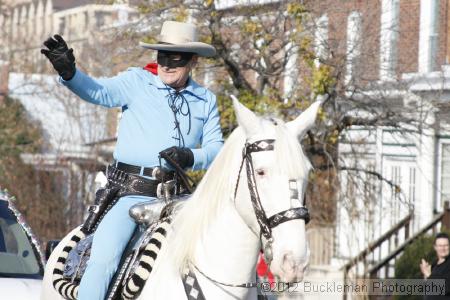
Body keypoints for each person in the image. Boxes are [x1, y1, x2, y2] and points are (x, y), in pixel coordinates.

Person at [41, 21, 224, 300]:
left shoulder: (205, 99)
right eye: (162, 56)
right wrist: (70, 73)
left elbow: (215, 149)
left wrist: (191, 156)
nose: (167, 64)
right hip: (131, 194)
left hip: (180, 199)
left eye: (176, 58)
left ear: (192, 61)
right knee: (103, 259)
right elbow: (98, 92)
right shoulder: (136, 81)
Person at [420, 232, 450, 299]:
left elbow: (447, 287)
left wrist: (429, 275)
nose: (443, 248)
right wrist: (425, 277)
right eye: (440, 245)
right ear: (435, 247)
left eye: (446, 245)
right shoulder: (433, 265)